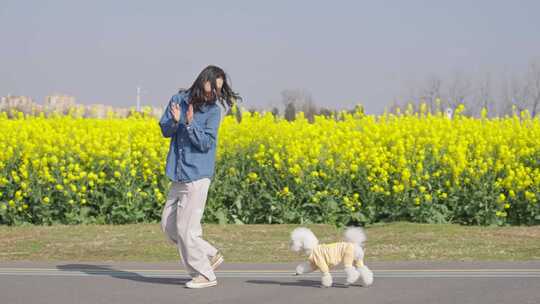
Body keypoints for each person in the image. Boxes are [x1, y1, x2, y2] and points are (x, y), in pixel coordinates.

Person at [159, 65, 240, 289]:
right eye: (212, 86)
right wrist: (175, 121)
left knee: (187, 230)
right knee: (169, 226)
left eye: (218, 89)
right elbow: (165, 130)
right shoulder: (179, 99)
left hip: (197, 176)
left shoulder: (214, 111)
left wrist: (189, 123)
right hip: (178, 173)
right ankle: (210, 255)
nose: (213, 92)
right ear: (202, 80)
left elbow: (205, 143)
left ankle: (204, 274)